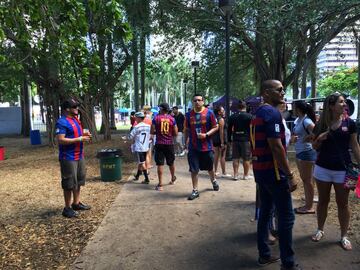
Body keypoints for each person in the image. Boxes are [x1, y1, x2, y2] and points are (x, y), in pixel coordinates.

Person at [250, 80, 300, 270]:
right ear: (266, 92)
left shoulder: (258, 113)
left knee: (265, 213)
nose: (282, 92)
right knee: (286, 217)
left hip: (261, 172)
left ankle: (264, 255)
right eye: (279, 89)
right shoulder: (271, 113)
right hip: (274, 174)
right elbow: (276, 147)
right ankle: (288, 263)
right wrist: (290, 174)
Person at [311, 93, 360, 251]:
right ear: (331, 106)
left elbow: (355, 146)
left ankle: (343, 236)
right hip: (322, 169)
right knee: (323, 202)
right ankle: (320, 229)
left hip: (343, 171)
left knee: (343, 204)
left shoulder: (350, 123)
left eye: (344, 101)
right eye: (341, 102)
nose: (344, 103)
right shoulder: (321, 124)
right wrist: (320, 139)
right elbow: (314, 147)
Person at [56, 98, 92, 218]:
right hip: (68, 157)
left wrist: (84, 136)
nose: (77, 109)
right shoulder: (62, 122)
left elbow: (78, 134)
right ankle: (67, 208)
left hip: (79, 155)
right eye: (74, 107)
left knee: (78, 181)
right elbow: (60, 140)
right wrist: (79, 139)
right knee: (69, 183)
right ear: (67, 109)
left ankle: (76, 203)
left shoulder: (76, 119)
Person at [184, 94, 219, 200]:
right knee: (194, 169)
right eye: (195, 100)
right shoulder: (188, 114)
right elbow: (186, 129)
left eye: (199, 100)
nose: (197, 102)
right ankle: (195, 190)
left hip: (206, 146)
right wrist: (186, 141)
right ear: (193, 102)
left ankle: (213, 181)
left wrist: (206, 135)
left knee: (209, 167)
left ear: (203, 102)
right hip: (193, 147)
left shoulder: (209, 113)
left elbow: (216, 127)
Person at [292, 101, 317, 214]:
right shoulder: (299, 120)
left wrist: (310, 137)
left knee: (307, 180)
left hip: (307, 152)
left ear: (298, 109)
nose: (292, 109)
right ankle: (308, 201)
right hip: (300, 152)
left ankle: (309, 206)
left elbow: (317, 131)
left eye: (293, 107)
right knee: (306, 179)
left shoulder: (306, 120)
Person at [151, 103, 178, 191]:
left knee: (160, 164)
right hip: (169, 143)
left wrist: (158, 132)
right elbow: (176, 133)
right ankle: (173, 178)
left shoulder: (156, 118)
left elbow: (152, 130)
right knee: (171, 162)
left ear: (161, 109)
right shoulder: (172, 119)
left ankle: (160, 184)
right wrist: (169, 133)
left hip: (159, 143)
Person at [227, 101, 253, 180]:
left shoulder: (232, 117)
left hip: (235, 139)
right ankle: (245, 175)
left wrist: (229, 140)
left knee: (235, 158)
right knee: (246, 158)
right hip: (246, 140)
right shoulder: (250, 116)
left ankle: (235, 175)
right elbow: (253, 129)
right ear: (245, 107)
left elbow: (229, 130)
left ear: (237, 107)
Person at [129, 112, 151, 184]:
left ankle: (146, 179)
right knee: (141, 162)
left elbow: (131, 136)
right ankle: (137, 176)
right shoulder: (148, 126)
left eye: (136, 118)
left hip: (139, 147)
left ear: (138, 118)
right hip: (146, 146)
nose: (135, 119)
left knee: (142, 163)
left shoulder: (137, 127)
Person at [212, 105, 231, 178]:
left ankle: (215, 171)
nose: (224, 111)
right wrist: (222, 142)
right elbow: (221, 132)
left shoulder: (215, 118)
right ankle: (224, 172)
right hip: (221, 139)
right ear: (219, 112)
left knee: (216, 155)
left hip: (215, 139)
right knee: (222, 156)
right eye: (223, 110)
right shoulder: (221, 119)